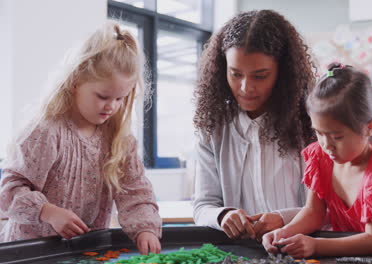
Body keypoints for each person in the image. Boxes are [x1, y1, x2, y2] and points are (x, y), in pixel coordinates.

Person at [0, 22, 161, 255]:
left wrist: (145, 229)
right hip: (32, 252)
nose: (112, 107)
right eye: (103, 96)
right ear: (75, 82)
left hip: (85, 252)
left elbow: (135, 191)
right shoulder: (46, 130)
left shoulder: (120, 140)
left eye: (120, 99)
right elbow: (10, 189)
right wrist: (48, 211)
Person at [262, 63, 372, 258]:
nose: (327, 145)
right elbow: (313, 212)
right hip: (359, 256)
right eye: (319, 133)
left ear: (370, 127)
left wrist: (316, 245)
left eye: (337, 137)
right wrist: (284, 233)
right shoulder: (319, 156)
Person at [192, 9, 317, 240]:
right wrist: (223, 216)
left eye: (260, 76)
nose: (246, 88)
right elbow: (203, 206)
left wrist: (283, 218)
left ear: (283, 73)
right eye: (236, 74)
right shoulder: (213, 129)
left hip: (300, 249)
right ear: (223, 70)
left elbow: (327, 210)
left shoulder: (311, 125)